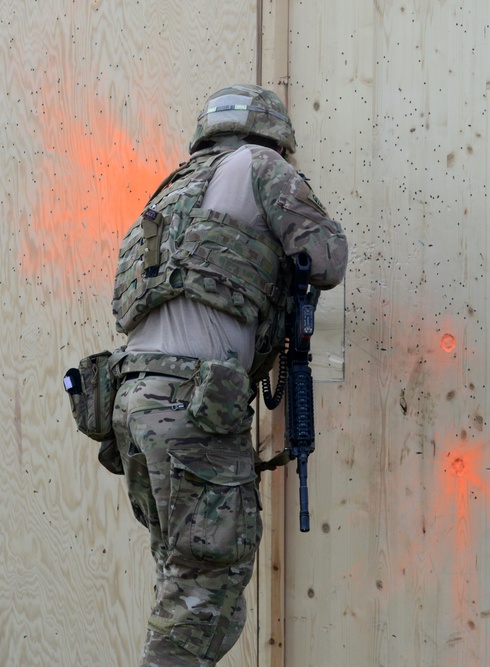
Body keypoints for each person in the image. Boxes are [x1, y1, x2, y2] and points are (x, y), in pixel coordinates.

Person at [109, 83, 348, 666]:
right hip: (192, 405)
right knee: (206, 589)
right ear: (273, 134)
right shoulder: (261, 165)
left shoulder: (169, 194)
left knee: (179, 575)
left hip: (132, 402)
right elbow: (326, 258)